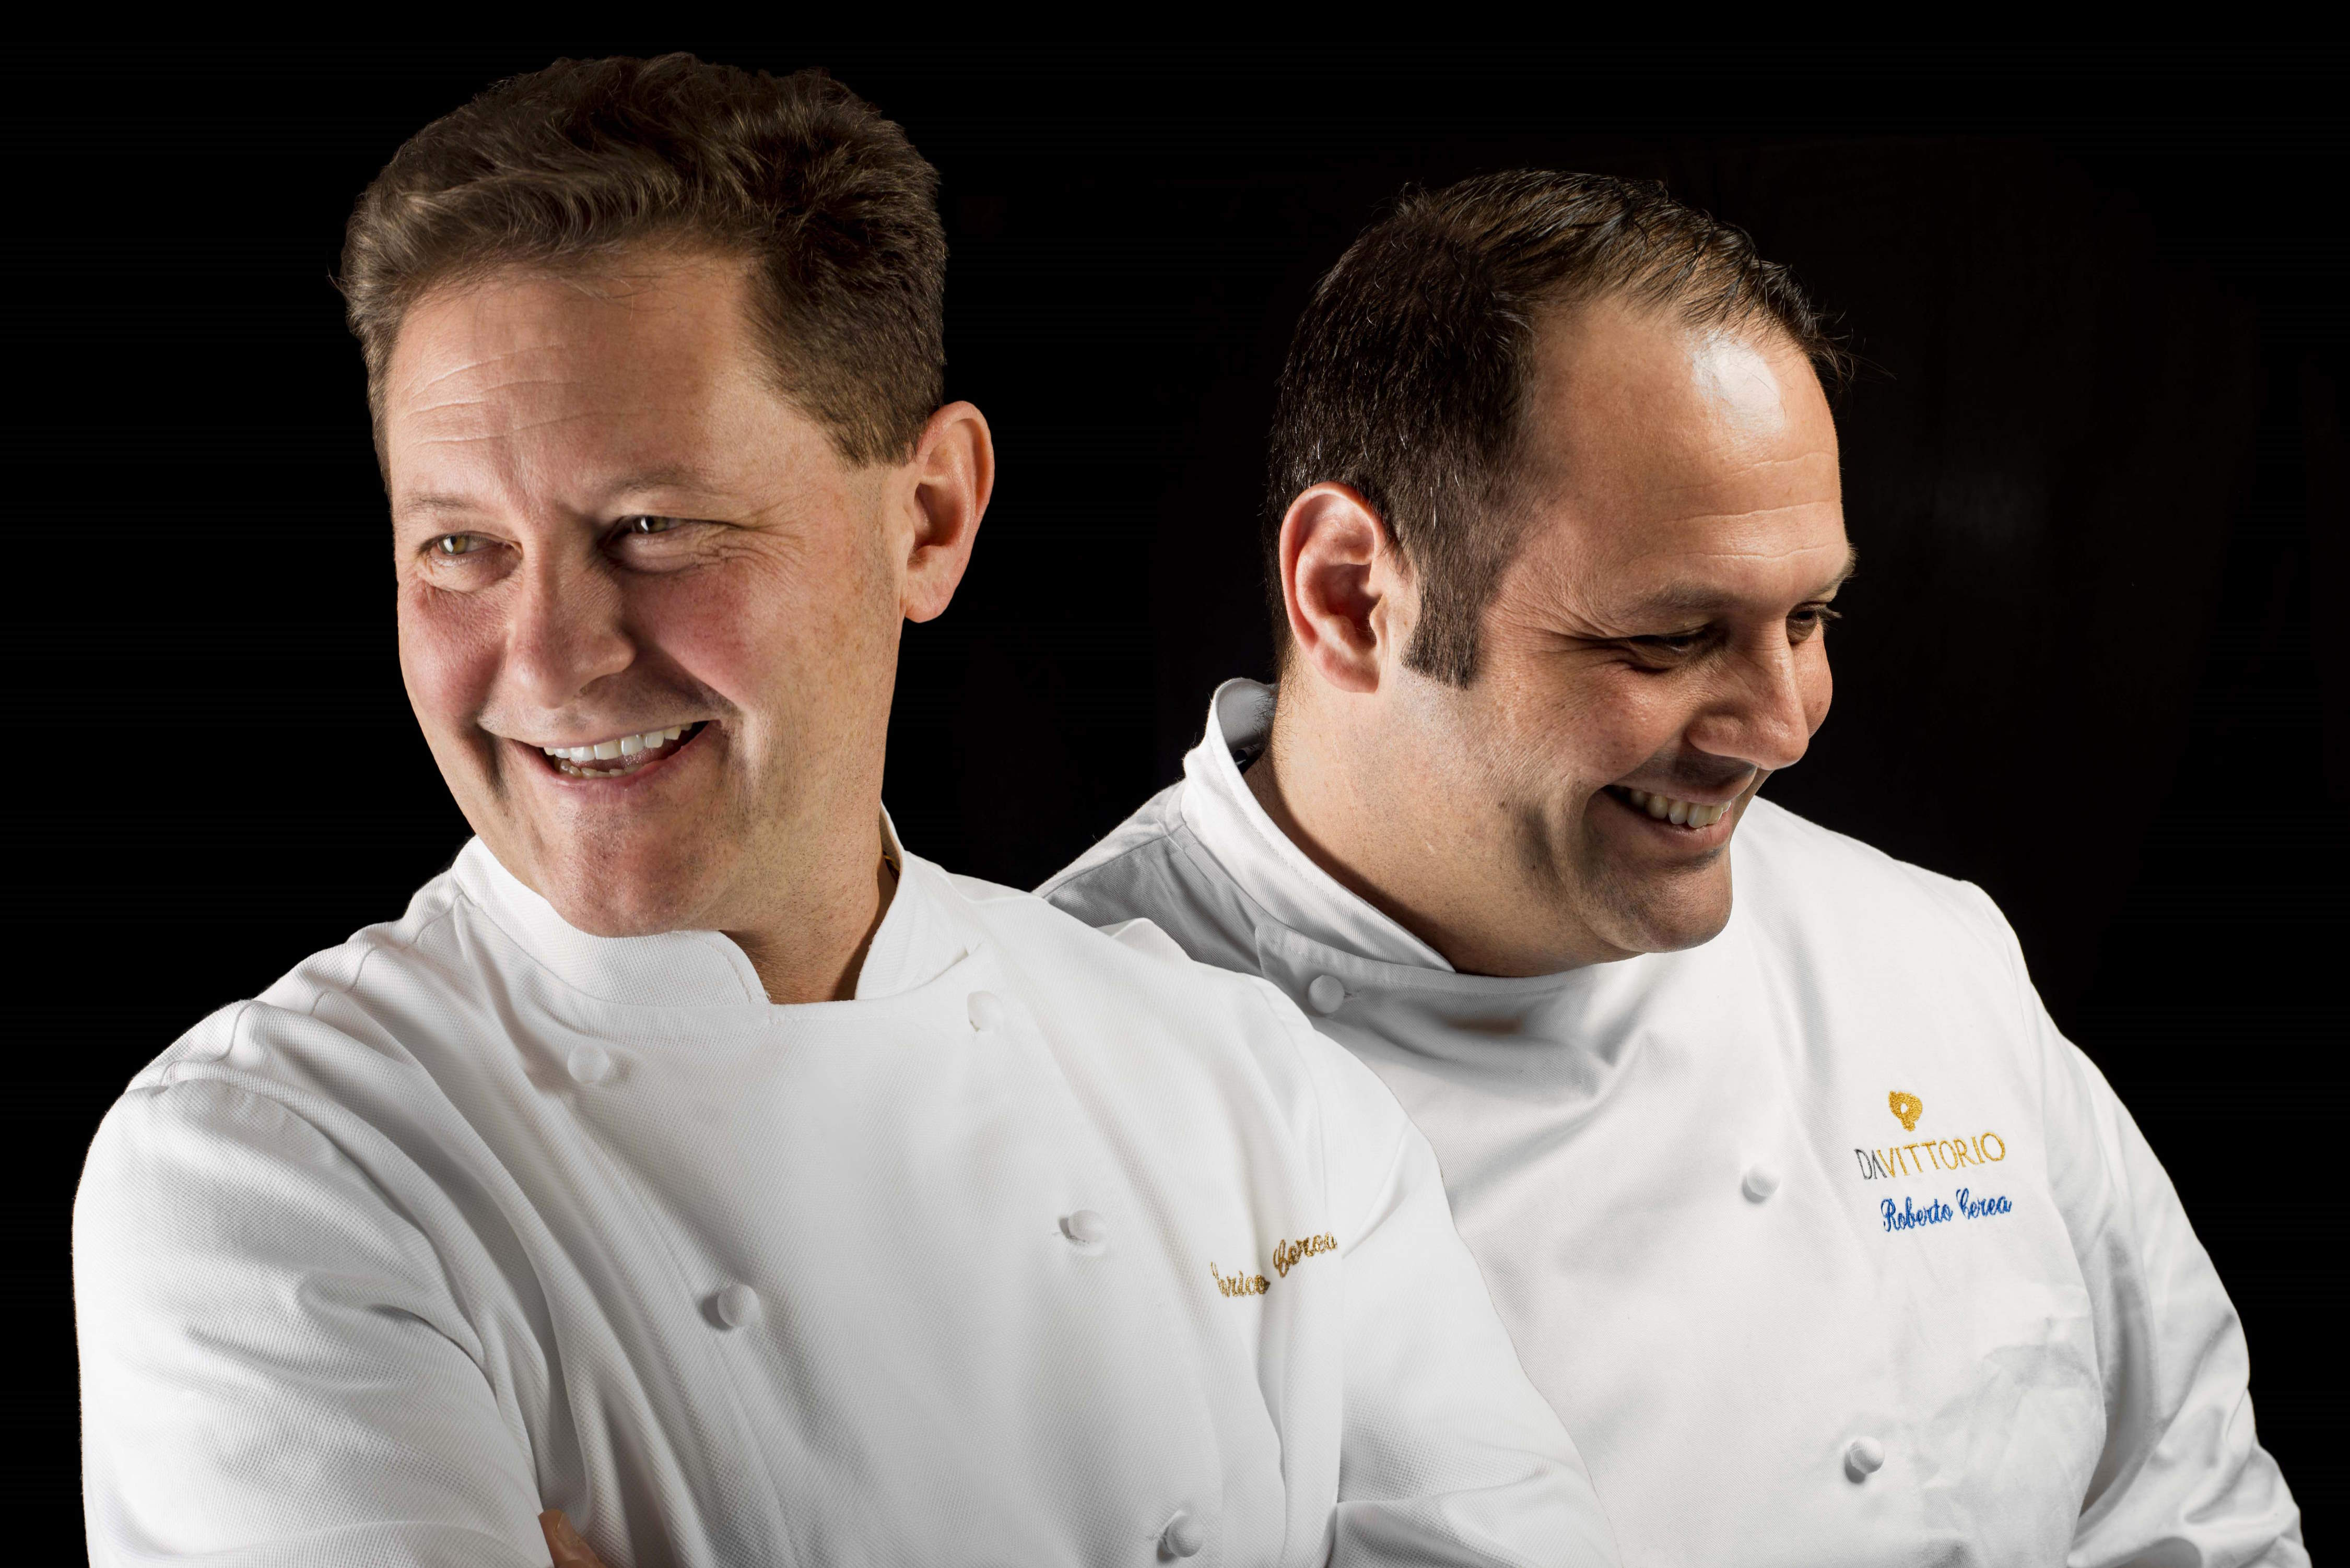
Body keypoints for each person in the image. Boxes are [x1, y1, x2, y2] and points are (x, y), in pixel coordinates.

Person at [72, 62, 1618, 1568]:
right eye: (459, 548)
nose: (545, 661)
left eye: (653, 526)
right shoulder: (276, 1170)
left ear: (929, 519)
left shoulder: (1252, 1091)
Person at [1043, 171, 2305, 1567]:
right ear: (1352, 595)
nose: (1784, 728)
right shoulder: (1055, 1088)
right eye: (1669, 638)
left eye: (1809, 617)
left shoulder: (1926, 957)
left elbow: (2199, 1518)